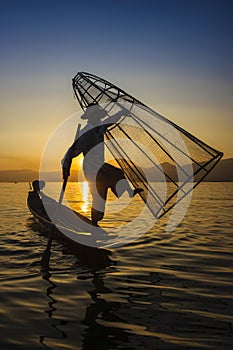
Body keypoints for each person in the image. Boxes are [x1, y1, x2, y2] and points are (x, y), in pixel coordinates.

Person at [62, 103, 143, 226]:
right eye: (97, 115)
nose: (99, 118)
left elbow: (110, 121)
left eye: (99, 116)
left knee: (118, 173)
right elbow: (73, 152)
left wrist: (121, 113)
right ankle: (94, 223)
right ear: (92, 117)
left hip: (101, 165)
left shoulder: (99, 127)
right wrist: (66, 164)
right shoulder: (86, 132)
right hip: (91, 169)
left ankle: (129, 192)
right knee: (99, 197)